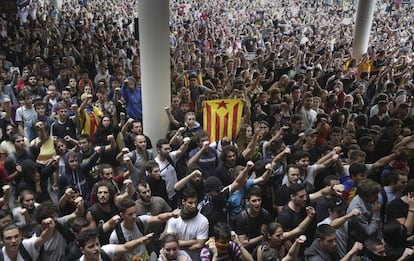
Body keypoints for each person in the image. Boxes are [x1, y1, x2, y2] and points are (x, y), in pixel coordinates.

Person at [109, 198, 180, 260]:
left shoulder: (140, 221)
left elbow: (158, 218)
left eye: (135, 212)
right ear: (122, 215)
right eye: (130, 214)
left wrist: (171, 215)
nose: (134, 216)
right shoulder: (115, 236)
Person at [166, 188, 209, 261]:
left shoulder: (203, 221)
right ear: (183, 201)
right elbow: (170, 241)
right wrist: (193, 241)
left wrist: (179, 244)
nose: (194, 205)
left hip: (195, 256)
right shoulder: (174, 219)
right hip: (175, 256)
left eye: (195, 202)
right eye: (190, 203)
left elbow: (199, 245)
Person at [77, 228, 154, 261]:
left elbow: (125, 248)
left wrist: (140, 241)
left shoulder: (105, 252)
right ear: (82, 250)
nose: (96, 248)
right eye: (91, 247)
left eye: (97, 244)